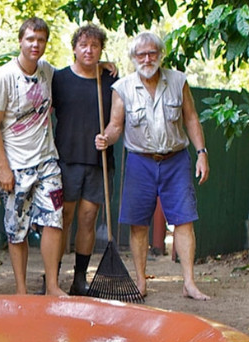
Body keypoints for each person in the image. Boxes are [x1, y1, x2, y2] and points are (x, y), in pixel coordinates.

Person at [96, 31, 211, 300]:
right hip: (139, 161)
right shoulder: (122, 88)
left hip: (176, 159)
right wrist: (106, 138)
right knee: (138, 225)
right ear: (133, 58)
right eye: (141, 54)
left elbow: (192, 118)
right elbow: (115, 125)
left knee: (184, 222)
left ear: (160, 55)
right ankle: (140, 282)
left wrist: (202, 153)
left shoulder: (178, 81)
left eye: (152, 53)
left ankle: (189, 283)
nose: (147, 59)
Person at [0, 17, 67, 297]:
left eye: (41, 40)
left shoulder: (47, 71)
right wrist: (2, 168)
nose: (36, 45)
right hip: (16, 166)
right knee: (16, 229)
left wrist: (102, 67)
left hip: (47, 162)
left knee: (54, 220)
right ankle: (21, 289)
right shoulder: (3, 76)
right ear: (20, 40)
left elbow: (75, 74)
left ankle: (52, 286)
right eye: (31, 39)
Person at [51, 23, 117, 296]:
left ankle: (79, 279)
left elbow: (117, 121)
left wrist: (108, 137)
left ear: (101, 49)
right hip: (65, 160)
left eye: (95, 46)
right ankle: (52, 277)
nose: (89, 50)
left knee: (88, 219)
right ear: (74, 49)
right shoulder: (59, 79)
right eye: (84, 45)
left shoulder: (110, 80)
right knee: (61, 219)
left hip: (97, 161)